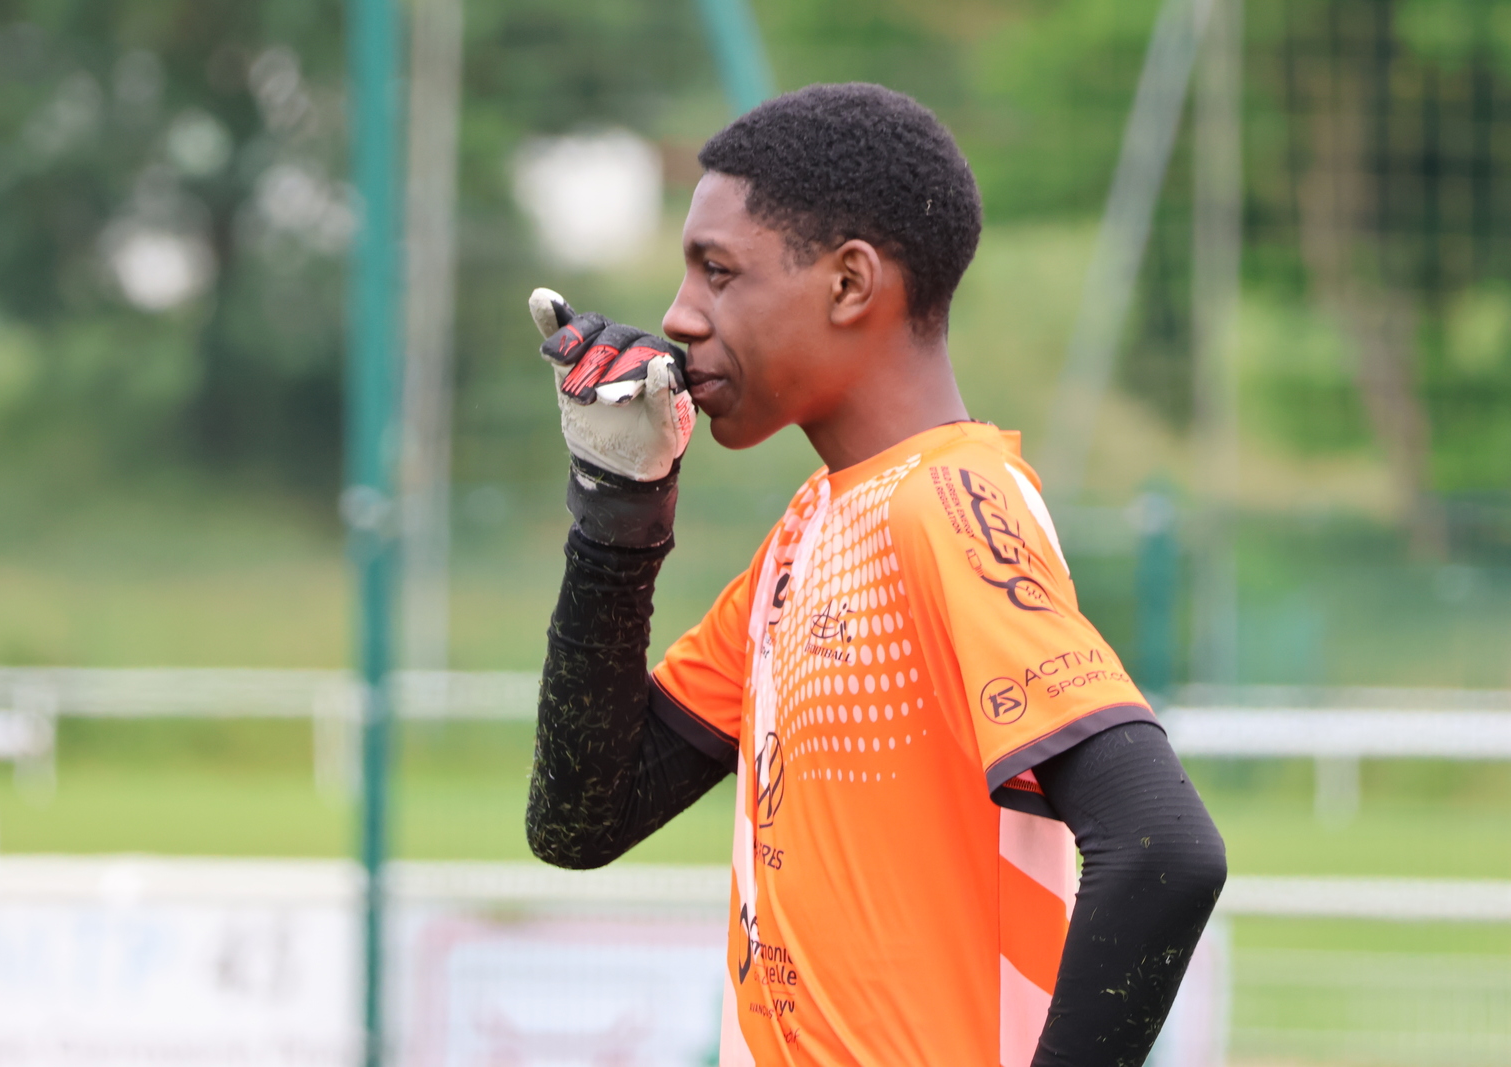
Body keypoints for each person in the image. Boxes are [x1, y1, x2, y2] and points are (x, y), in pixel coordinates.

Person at [524, 82, 1226, 1067]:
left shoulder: (947, 500)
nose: (678, 317)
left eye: (717, 272)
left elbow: (1164, 849)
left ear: (850, 283)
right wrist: (617, 509)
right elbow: (581, 819)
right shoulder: (810, 531)